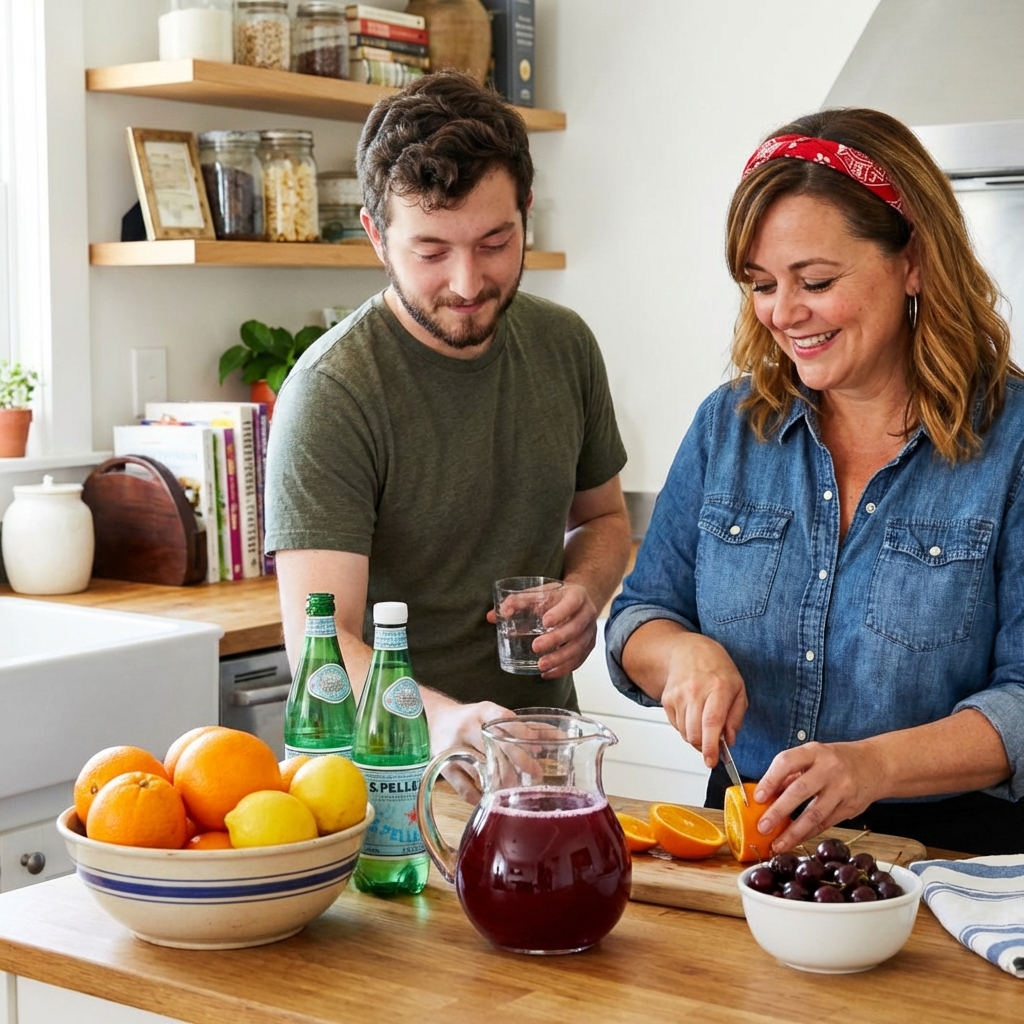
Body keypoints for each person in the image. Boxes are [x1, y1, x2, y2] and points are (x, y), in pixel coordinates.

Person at [606, 108, 1024, 855]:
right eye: (761, 284)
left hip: (954, 867)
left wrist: (874, 767)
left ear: (914, 262)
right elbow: (640, 618)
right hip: (745, 845)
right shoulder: (728, 427)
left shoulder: (1013, 444)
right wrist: (681, 654)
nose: (784, 313)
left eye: (817, 280)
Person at [265, 72, 630, 799]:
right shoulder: (333, 392)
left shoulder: (565, 346)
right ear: (376, 236)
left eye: (495, 241)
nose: (467, 282)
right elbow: (322, 646)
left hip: (543, 761)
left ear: (526, 211)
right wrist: (445, 722)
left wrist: (584, 592)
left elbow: (605, 519)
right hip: (382, 781)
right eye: (431, 252)